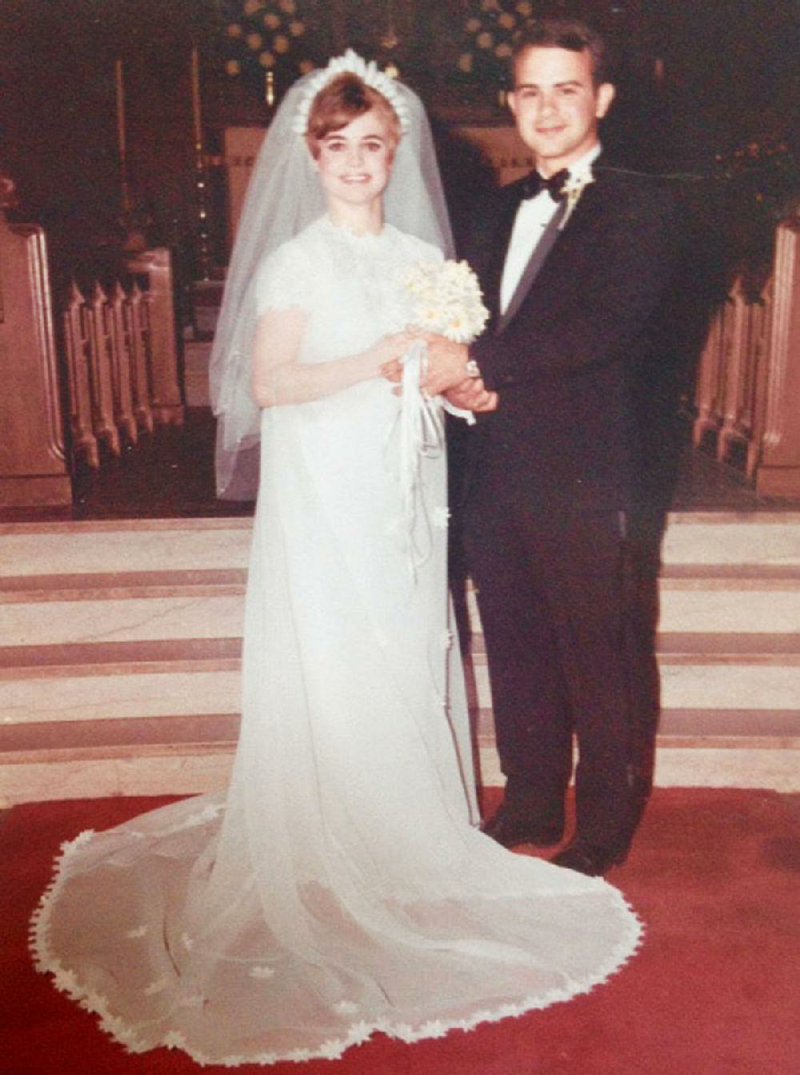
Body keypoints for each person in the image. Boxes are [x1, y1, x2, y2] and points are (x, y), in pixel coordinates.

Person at [31, 53, 642, 1066]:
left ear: (392, 152)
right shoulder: (296, 260)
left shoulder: (420, 255)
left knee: (402, 643)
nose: (356, 163)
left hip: (403, 483)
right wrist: (376, 358)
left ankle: (405, 827)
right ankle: (334, 831)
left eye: (372, 147)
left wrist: (458, 388)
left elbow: (443, 366)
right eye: (337, 148)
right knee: (338, 644)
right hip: (326, 486)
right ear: (309, 157)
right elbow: (271, 384)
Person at [423, 18, 684, 877]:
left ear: (601, 98)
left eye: (566, 89)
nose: (547, 108)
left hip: (589, 466)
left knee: (598, 648)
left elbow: (605, 327)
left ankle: (606, 817)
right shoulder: (494, 209)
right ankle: (530, 796)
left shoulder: (642, 202)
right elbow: (475, 321)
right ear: (511, 102)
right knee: (518, 638)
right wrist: (466, 381)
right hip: (496, 461)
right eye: (530, 91)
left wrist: (476, 364)